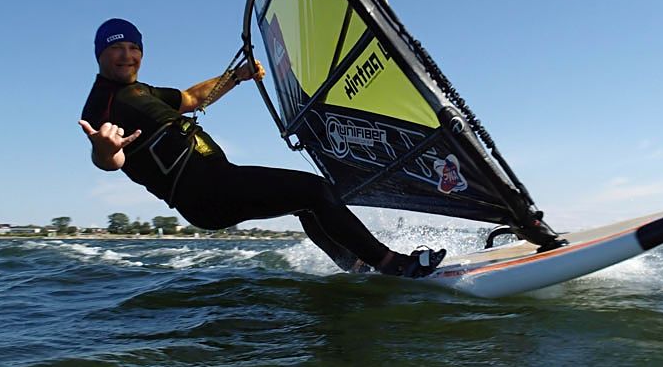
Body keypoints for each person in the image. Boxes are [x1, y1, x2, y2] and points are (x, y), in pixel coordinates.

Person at [79, 18, 445, 277]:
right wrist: (106, 150)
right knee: (316, 191)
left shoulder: (142, 92)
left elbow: (191, 97)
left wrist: (236, 78)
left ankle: (357, 266)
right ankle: (393, 264)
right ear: (100, 54)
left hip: (219, 181)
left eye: (133, 47)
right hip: (202, 192)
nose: (127, 55)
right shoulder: (101, 106)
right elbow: (110, 161)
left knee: (307, 205)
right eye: (116, 48)